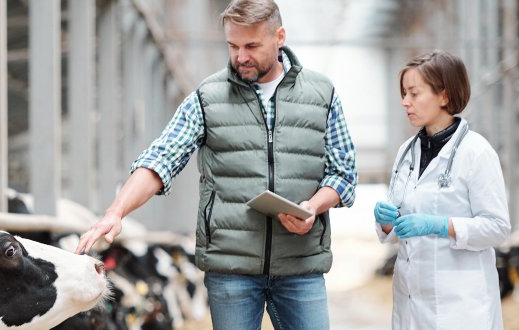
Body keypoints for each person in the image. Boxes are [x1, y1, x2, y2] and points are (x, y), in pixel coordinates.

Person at [73, 0, 357, 328]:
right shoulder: (207, 98)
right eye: (233, 45)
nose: (241, 56)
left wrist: (313, 207)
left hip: (301, 266)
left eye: (252, 45)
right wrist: (116, 211)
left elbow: (343, 171)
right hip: (231, 271)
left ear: (280, 37)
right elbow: (161, 158)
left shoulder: (322, 94)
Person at [373, 50, 510, 329]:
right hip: (411, 304)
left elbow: (497, 227)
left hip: (460, 308)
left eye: (414, 93)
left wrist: (441, 225)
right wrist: (386, 223)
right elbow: (401, 222)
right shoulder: (406, 152)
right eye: (404, 94)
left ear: (444, 96)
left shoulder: (476, 152)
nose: (405, 102)